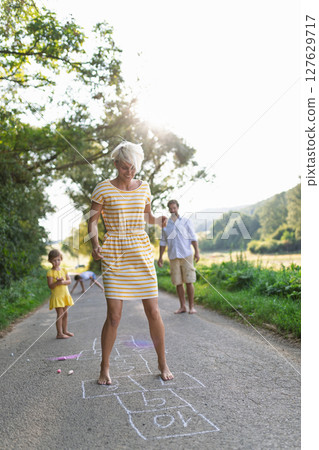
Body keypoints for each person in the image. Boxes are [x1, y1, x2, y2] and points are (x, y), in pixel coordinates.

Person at [88, 140, 174, 385]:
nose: (130, 171)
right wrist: (95, 245)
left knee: (153, 311)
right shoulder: (103, 188)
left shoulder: (144, 187)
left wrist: (158, 220)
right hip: (114, 251)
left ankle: (162, 362)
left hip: (141, 250)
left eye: (133, 167)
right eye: (125, 167)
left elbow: (146, 216)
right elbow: (92, 221)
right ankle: (104, 367)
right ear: (116, 164)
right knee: (114, 316)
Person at [158, 200, 200, 314]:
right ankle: (182, 306)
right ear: (168, 209)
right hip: (173, 256)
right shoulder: (166, 224)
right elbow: (163, 242)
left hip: (186, 254)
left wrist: (197, 252)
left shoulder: (186, 221)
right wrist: (160, 257)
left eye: (174, 208)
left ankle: (191, 307)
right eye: (171, 209)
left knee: (189, 281)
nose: (173, 210)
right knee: (178, 282)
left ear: (178, 208)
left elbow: (193, 237)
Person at [47, 249, 74, 339]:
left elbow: (69, 281)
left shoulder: (64, 270)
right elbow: (50, 285)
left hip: (65, 295)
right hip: (57, 296)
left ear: (61, 259)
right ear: (50, 261)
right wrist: (57, 282)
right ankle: (59, 333)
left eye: (58, 259)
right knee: (60, 314)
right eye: (54, 260)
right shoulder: (50, 272)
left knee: (65, 313)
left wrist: (62, 282)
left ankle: (65, 330)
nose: (57, 262)